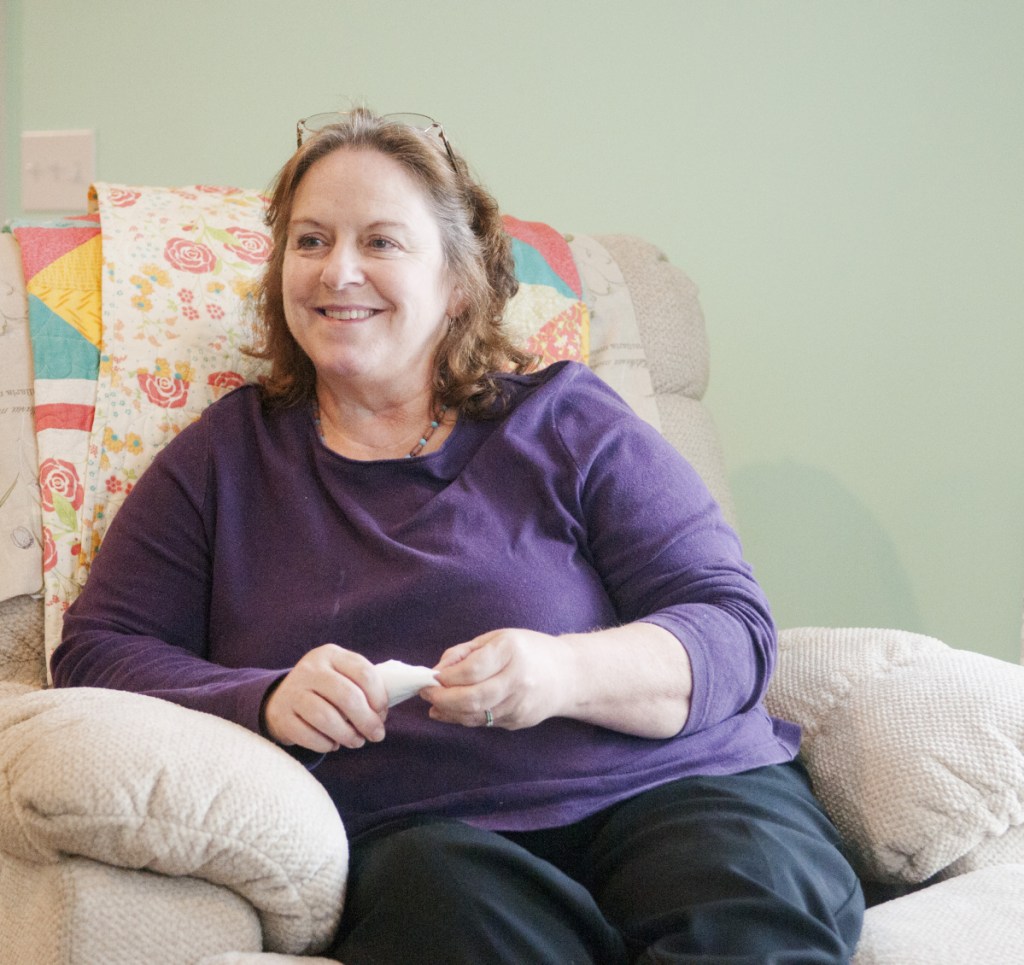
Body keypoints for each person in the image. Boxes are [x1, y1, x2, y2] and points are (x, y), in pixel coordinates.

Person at [53, 108, 864, 963]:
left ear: (458, 285)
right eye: (310, 240)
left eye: (381, 242)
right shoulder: (224, 459)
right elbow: (98, 651)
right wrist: (263, 697)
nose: (338, 270)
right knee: (441, 912)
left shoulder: (567, 420)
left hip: (678, 794)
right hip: (434, 841)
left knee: (741, 919)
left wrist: (563, 671)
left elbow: (733, 628)